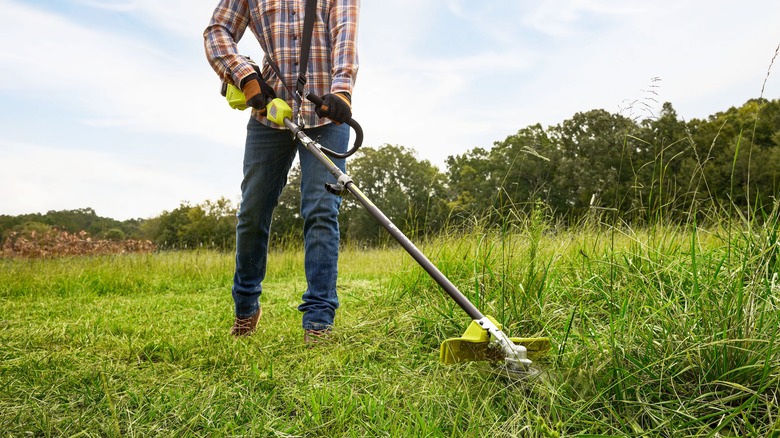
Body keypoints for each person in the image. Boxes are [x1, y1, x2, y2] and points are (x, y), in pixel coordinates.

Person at [203, 0, 359, 342]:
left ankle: (318, 319)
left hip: (326, 112)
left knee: (321, 210)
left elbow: (345, 35)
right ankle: (245, 307)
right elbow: (218, 31)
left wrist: (342, 90)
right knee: (253, 212)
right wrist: (244, 75)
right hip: (271, 113)